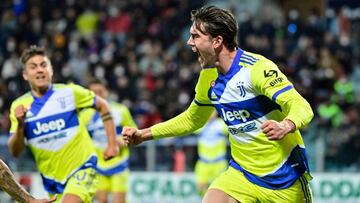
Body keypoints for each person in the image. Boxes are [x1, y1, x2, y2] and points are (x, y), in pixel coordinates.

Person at [122, 5, 314, 203]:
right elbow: (192, 120)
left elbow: (301, 105)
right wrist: (143, 134)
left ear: (217, 41)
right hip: (242, 175)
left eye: (195, 36)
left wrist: (286, 125)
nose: (189, 42)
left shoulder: (256, 68)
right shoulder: (208, 77)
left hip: (285, 178)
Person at [8, 45, 119, 203]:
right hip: (53, 182)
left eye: (44, 65)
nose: (40, 70)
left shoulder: (69, 92)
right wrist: (20, 124)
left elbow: (103, 105)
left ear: (51, 70)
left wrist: (112, 144)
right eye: (33, 67)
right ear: (25, 75)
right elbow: (15, 151)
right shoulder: (18, 106)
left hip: (83, 168)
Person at [80, 78, 136, 203]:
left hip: (119, 163)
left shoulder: (121, 110)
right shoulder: (85, 115)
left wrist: (123, 140)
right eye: (93, 92)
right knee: (102, 200)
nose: (97, 95)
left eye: (100, 91)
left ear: (107, 91)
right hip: (97, 165)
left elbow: (134, 132)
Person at [194, 112, 228, 197]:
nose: (210, 114)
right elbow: (188, 126)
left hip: (219, 163)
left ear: (216, 112)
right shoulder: (200, 124)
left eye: (212, 111)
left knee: (220, 191)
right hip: (203, 163)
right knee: (200, 188)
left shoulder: (222, 124)